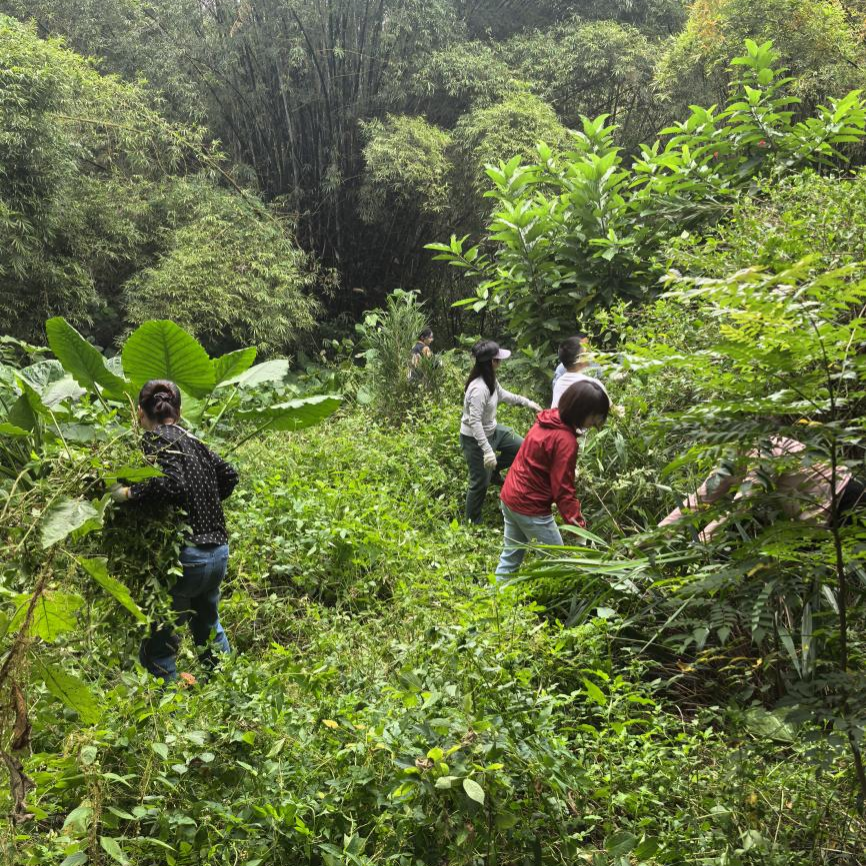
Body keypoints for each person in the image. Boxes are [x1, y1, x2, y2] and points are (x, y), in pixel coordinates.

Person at [110, 379, 238, 682]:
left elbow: (171, 484)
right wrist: (203, 497)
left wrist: (128, 494)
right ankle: (227, 686)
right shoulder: (193, 441)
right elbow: (229, 475)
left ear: (140, 413)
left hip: (187, 562)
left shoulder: (155, 440)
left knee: (159, 641)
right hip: (218, 555)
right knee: (208, 626)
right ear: (178, 413)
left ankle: (166, 701)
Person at [496, 380, 610, 578]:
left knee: (510, 559)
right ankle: (552, 598)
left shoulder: (548, 418)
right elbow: (563, 491)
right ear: (582, 412)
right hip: (530, 507)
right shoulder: (566, 441)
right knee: (559, 567)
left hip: (510, 496)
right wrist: (579, 530)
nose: (595, 422)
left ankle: (497, 594)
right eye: (595, 416)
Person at [659, 435, 864, 542]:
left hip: (845, 497)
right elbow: (698, 500)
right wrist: (654, 537)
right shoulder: (729, 462)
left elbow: (744, 502)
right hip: (817, 520)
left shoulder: (763, 450)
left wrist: (703, 541)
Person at [460, 339, 543, 524]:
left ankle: (494, 470)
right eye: (498, 358)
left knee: (522, 447)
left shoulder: (490, 379)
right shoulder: (478, 389)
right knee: (479, 483)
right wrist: (487, 450)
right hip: (475, 438)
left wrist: (526, 402)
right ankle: (472, 523)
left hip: (493, 430)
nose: (501, 361)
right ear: (491, 362)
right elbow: (474, 422)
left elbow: (503, 394)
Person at [551, 335, 610, 409]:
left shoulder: (559, 384)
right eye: (586, 352)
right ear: (579, 358)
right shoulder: (594, 384)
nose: (589, 354)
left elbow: (555, 409)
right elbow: (612, 409)